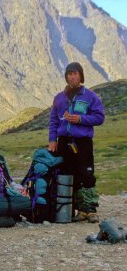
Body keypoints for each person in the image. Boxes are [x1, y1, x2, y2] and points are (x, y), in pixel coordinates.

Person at [48, 62, 105, 223]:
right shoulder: (59, 98)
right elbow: (53, 121)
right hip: (64, 142)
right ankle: (73, 209)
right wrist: (52, 140)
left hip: (83, 142)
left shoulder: (90, 96)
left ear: (81, 76)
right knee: (67, 174)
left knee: (86, 174)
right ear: (66, 77)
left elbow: (99, 117)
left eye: (75, 74)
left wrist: (80, 119)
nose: (72, 77)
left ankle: (90, 210)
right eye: (69, 74)